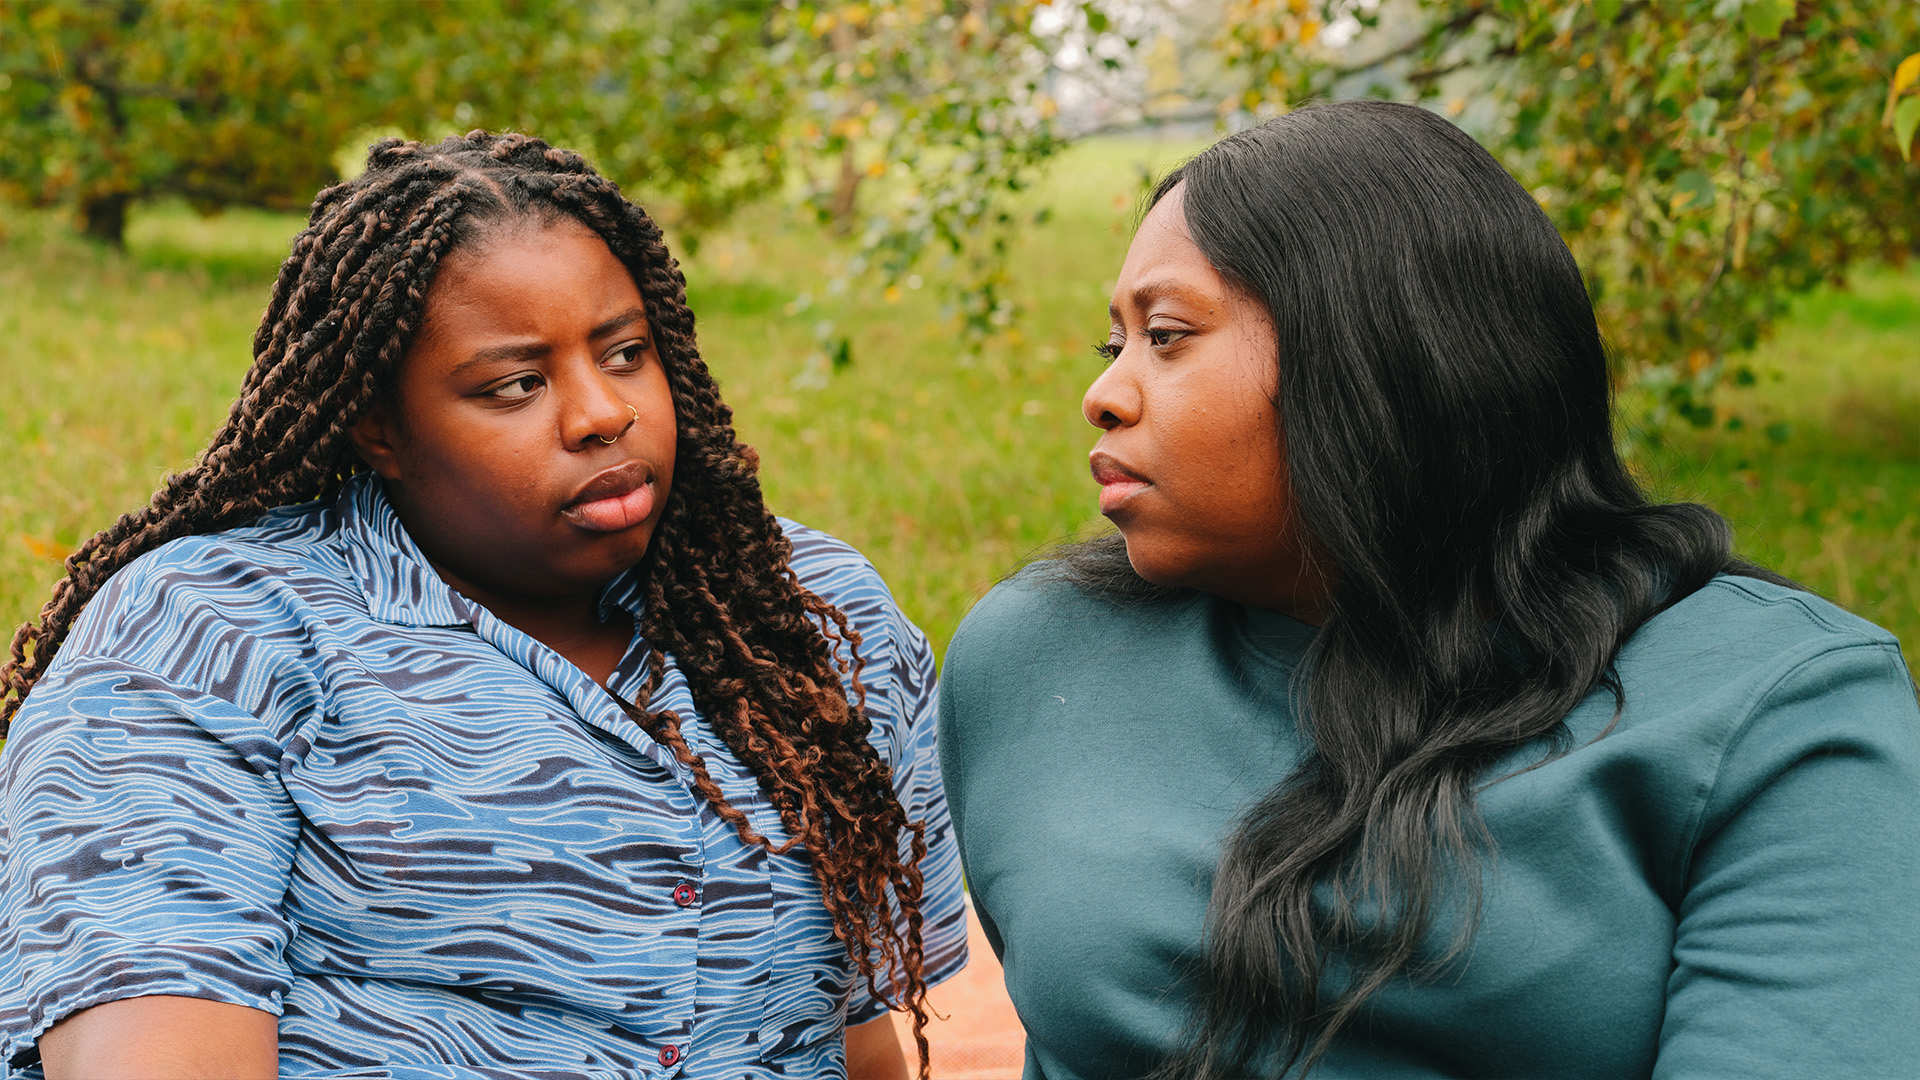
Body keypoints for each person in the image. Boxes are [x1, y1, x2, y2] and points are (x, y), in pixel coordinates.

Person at [937, 100, 1920, 1080]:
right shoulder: (1039, 658)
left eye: (1166, 333)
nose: (1104, 394)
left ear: (1377, 357)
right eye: (1115, 346)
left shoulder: (1776, 711)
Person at [0, 132, 966, 1080]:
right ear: (377, 425)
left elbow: (856, 1040)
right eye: (515, 384)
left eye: (626, 353)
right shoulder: (212, 637)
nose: (601, 414)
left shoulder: (811, 616)